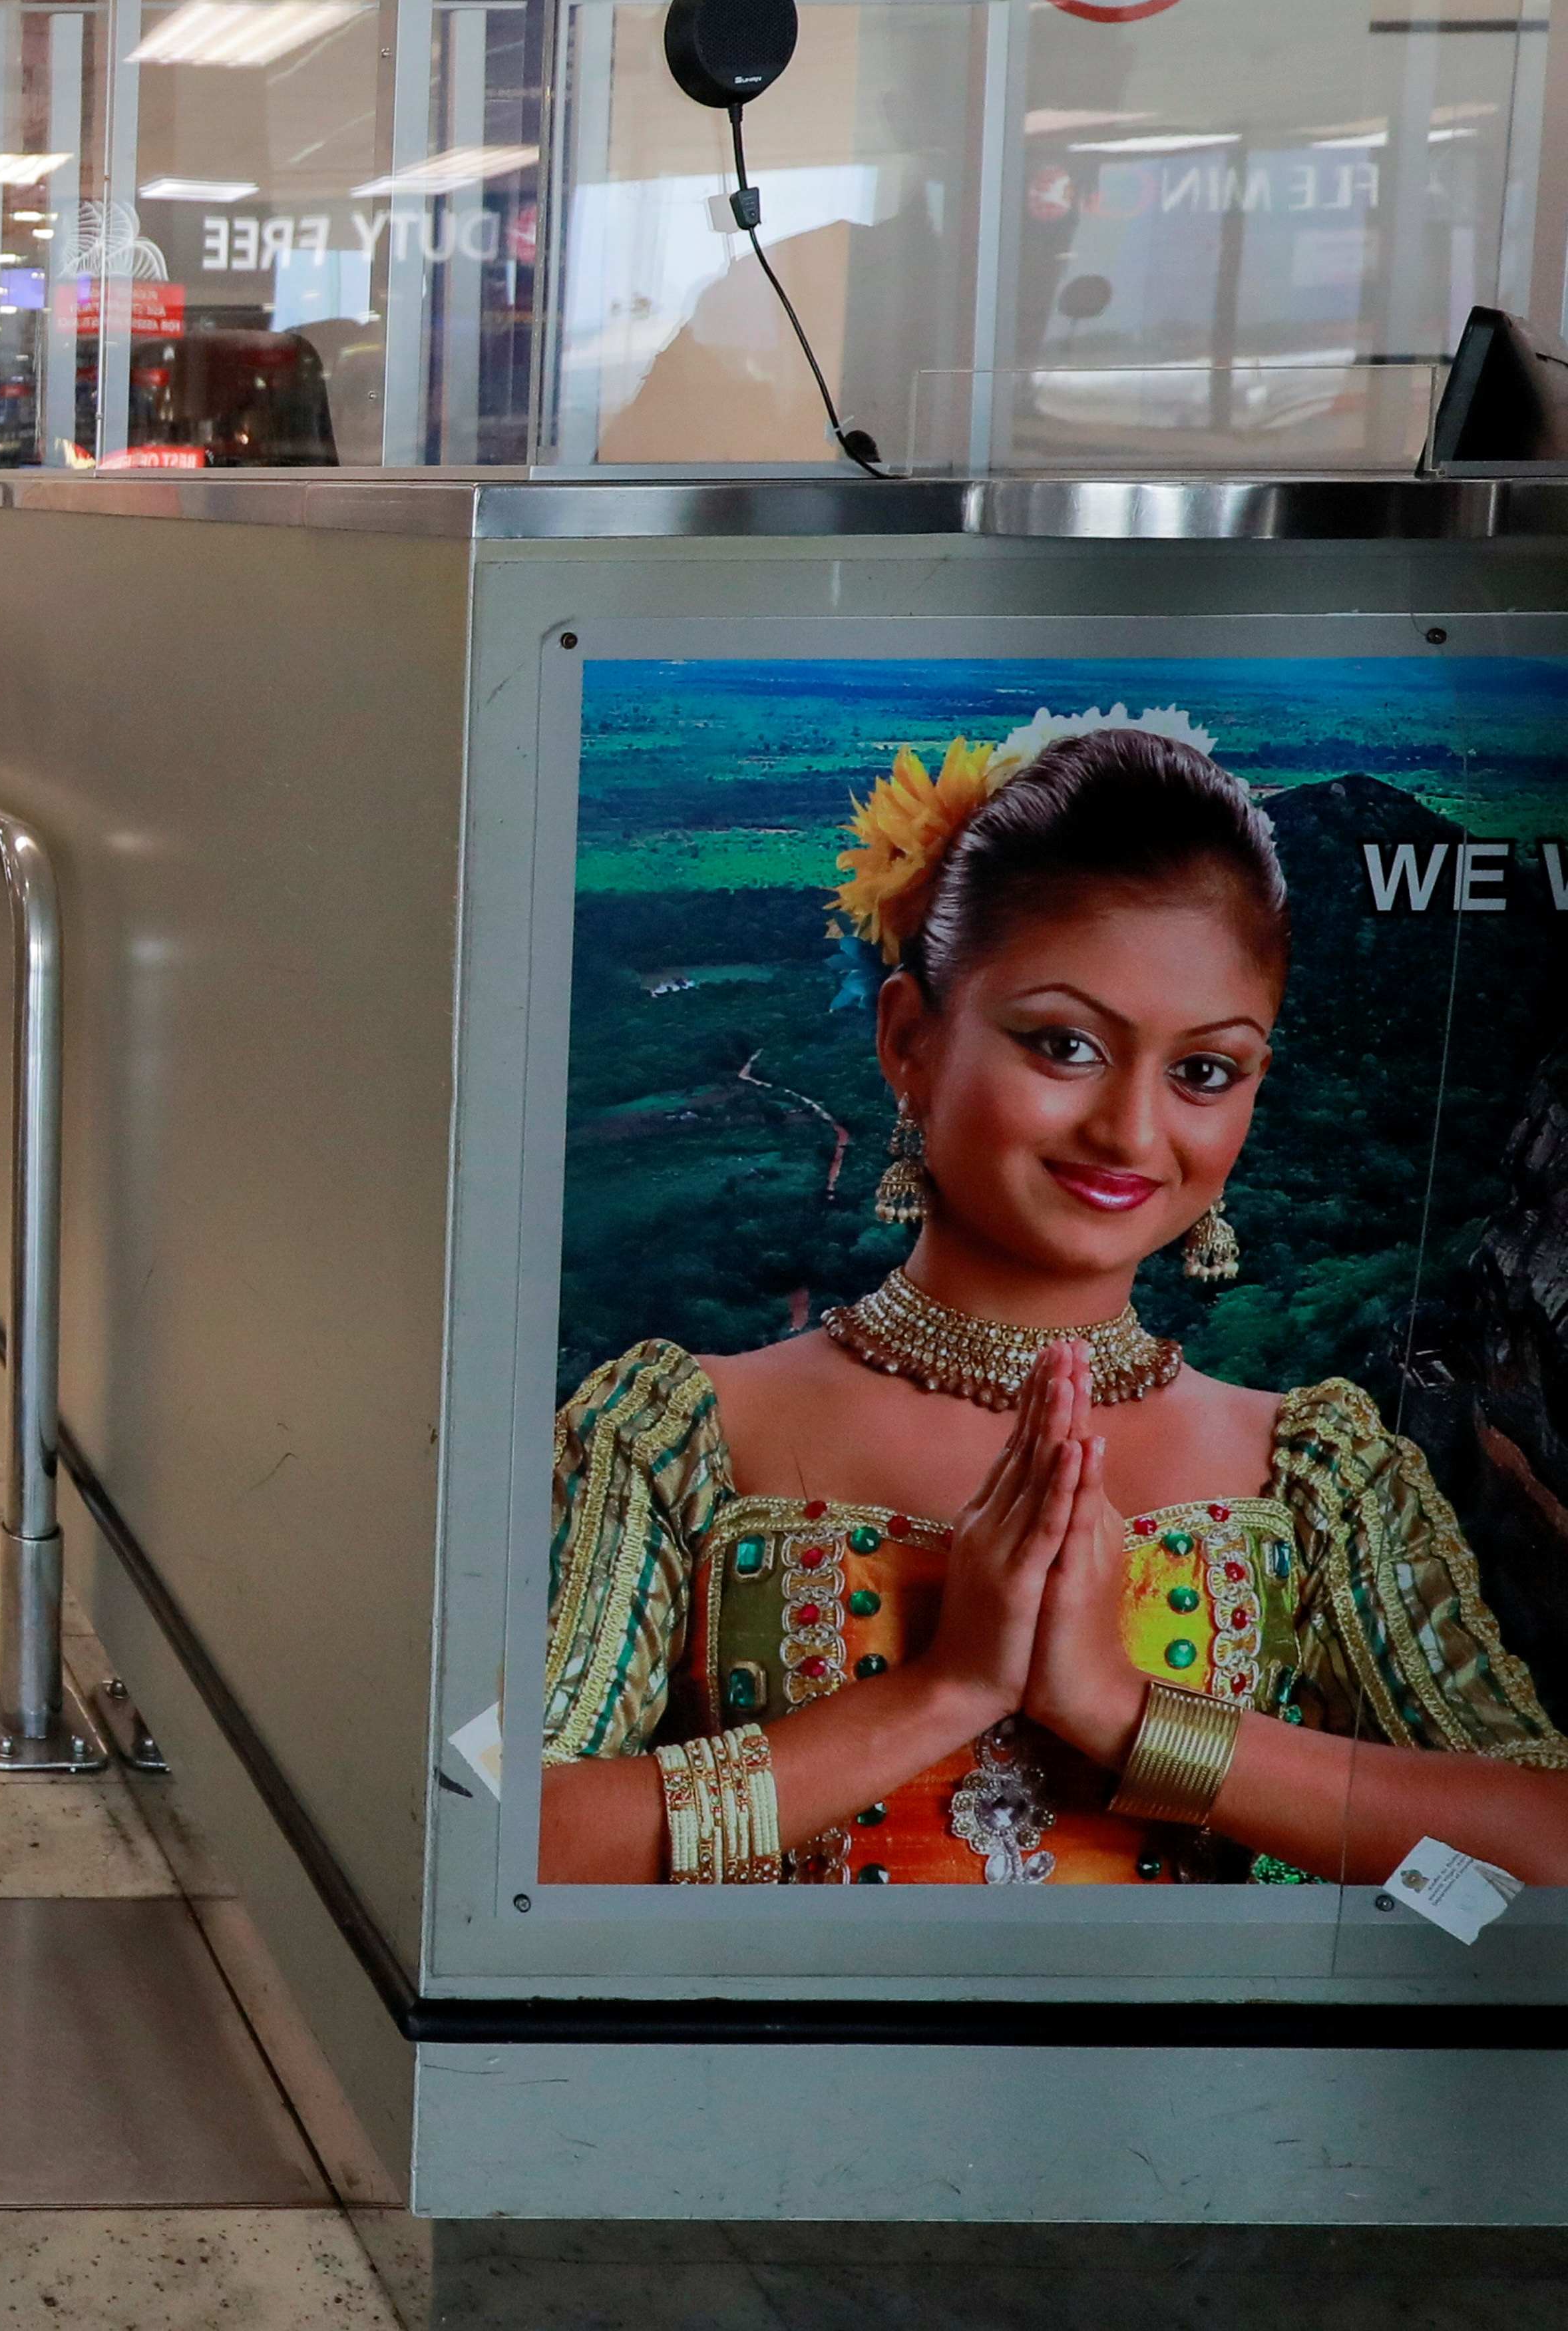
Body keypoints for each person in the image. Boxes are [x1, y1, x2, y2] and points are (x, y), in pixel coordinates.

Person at [544, 714, 1568, 1886]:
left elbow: (1546, 1849)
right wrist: (944, 1692)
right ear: (909, 1042)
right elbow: (502, 1846)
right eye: (1066, 1045)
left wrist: (1134, 1719)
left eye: (1203, 1070)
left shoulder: (1321, 1475)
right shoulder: (679, 1435)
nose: (1133, 1129)